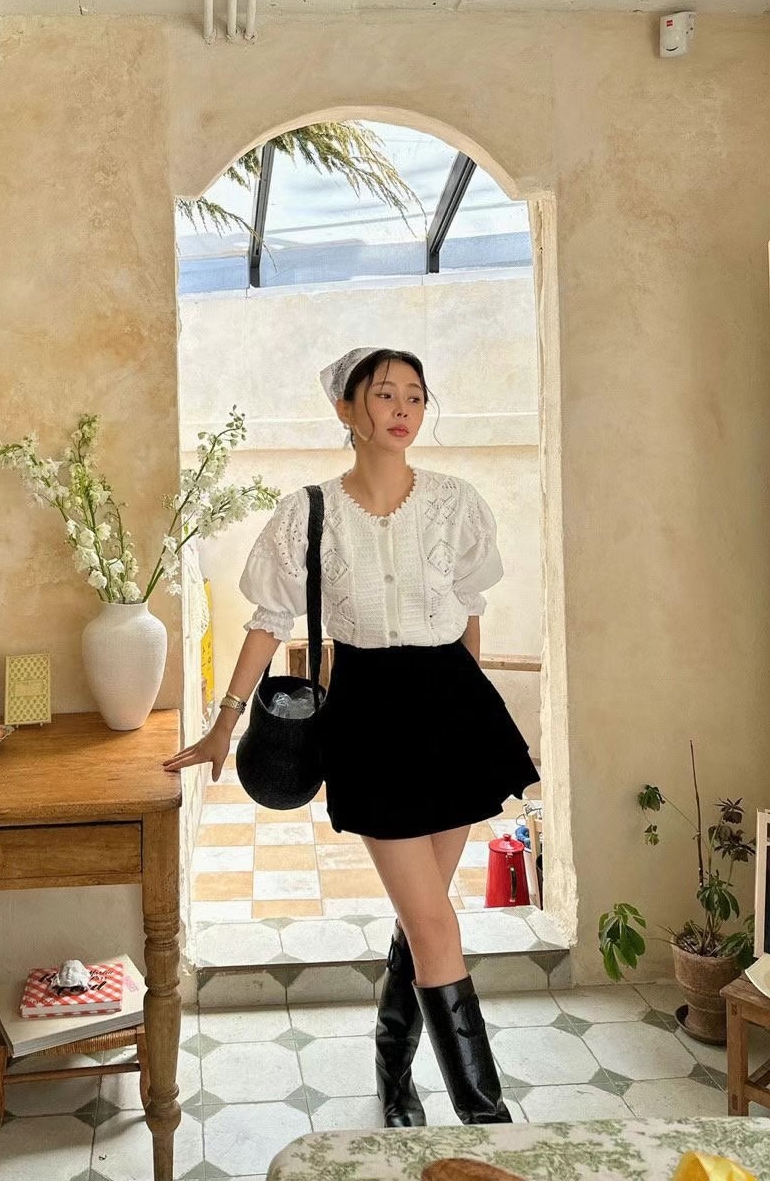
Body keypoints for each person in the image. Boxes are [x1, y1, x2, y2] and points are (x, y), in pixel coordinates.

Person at [164, 346, 540, 1128]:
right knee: (433, 921)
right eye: (384, 394)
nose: (403, 409)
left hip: (454, 710)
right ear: (347, 409)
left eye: (415, 396)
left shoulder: (455, 502)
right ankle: (490, 1128)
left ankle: (393, 1076)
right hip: (371, 719)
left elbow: (470, 613)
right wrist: (222, 723)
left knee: (425, 916)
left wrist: (469, 716)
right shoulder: (307, 515)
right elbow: (269, 621)